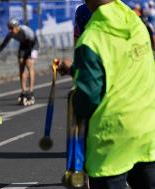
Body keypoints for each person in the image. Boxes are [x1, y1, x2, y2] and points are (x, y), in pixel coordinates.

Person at [59, 0, 155, 188]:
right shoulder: (137, 24)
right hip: (147, 134)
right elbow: (120, 65)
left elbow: (88, 98)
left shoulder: (91, 39)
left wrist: (75, 99)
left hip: (111, 142)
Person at [0, 19, 39, 105]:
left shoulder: (25, 30)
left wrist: (33, 53)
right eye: (9, 28)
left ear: (17, 27)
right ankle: (23, 90)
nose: (10, 30)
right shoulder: (10, 34)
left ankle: (31, 91)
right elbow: (3, 45)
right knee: (21, 66)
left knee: (29, 65)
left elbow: (35, 41)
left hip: (32, 46)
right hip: (23, 47)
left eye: (11, 28)